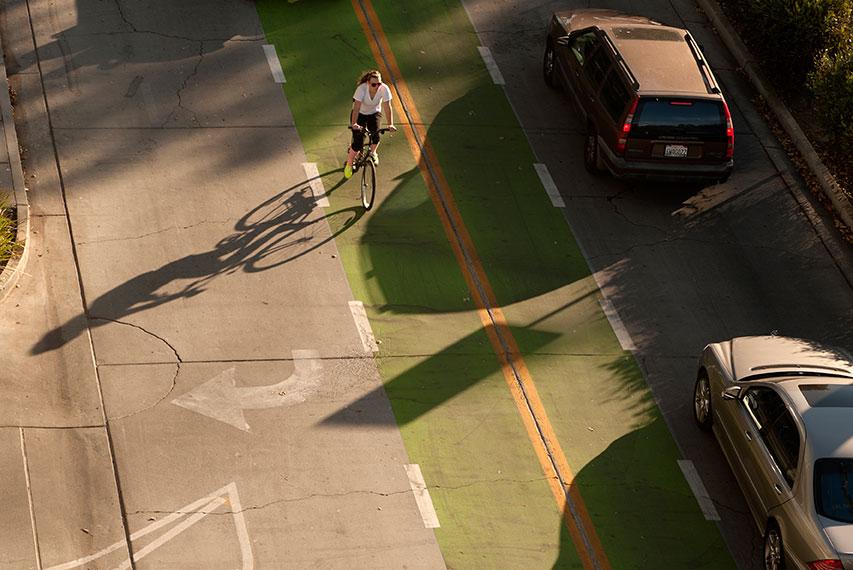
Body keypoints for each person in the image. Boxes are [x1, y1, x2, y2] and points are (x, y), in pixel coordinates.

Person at [344, 70, 396, 179]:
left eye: (379, 84)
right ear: (368, 83)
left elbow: (387, 107)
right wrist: (354, 124)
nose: (377, 86)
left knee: (376, 135)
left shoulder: (384, 89)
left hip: (374, 113)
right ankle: (349, 164)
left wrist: (390, 124)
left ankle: (373, 153)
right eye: (374, 84)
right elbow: (356, 108)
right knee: (358, 142)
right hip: (360, 114)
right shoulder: (361, 89)